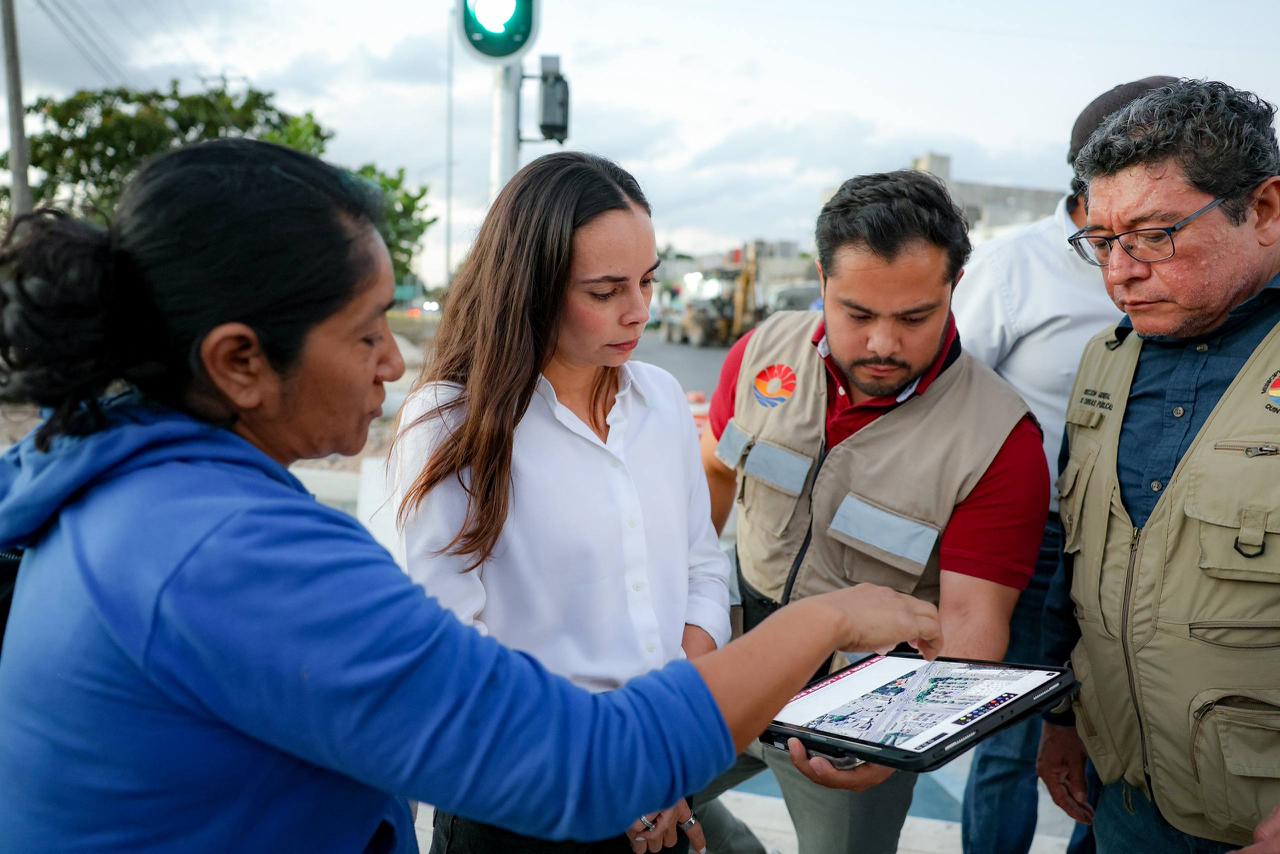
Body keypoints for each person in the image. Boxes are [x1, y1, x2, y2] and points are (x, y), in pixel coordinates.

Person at [0, 139, 945, 851]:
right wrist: (825, 621)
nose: (393, 361)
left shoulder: (135, 491)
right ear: (240, 361)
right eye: (368, 329)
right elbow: (582, 761)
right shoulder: (227, 555)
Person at [695, 170, 1049, 854]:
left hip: (853, 715)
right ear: (822, 280)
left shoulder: (999, 441)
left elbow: (974, 623)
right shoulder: (761, 352)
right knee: (630, 802)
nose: (884, 343)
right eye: (857, 313)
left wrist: (892, 745)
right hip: (732, 660)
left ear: (956, 286)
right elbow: (711, 471)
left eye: (915, 317)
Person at [390, 151, 732, 853]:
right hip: (521, 801)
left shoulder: (662, 400)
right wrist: (611, 765)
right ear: (530, 287)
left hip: (659, 782)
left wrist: (668, 751)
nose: (639, 311)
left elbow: (701, 571)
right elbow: (449, 646)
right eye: (605, 290)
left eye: (647, 281)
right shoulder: (446, 425)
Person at [1036, 79, 1280, 852]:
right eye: (1103, 242)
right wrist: (1063, 717)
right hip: (1125, 798)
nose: (1120, 273)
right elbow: (1074, 562)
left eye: (1153, 235)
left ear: (1265, 209)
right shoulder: (1102, 365)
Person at [952, 76, 1174, 854]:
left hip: (1149, 545)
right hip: (1036, 542)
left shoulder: (1198, 279)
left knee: (1130, 735)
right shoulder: (1013, 269)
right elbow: (947, 396)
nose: (1130, 265)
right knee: (1009, 740)